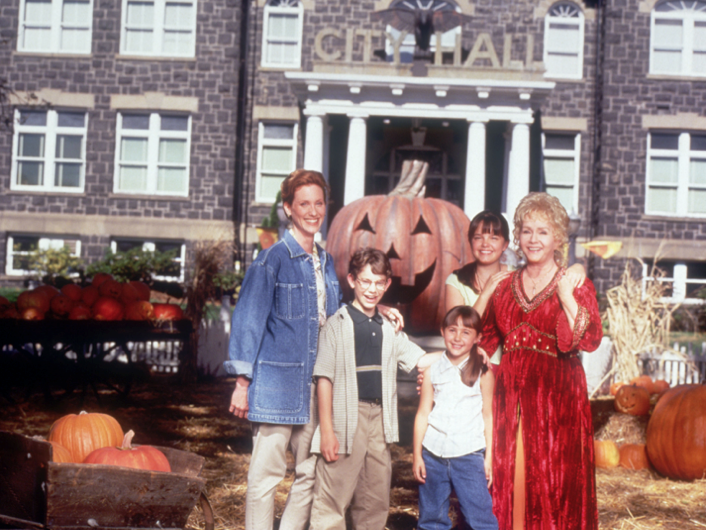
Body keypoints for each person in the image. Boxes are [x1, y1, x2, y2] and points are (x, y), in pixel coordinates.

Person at [224, 169, 341, 530]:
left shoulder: (327, 262)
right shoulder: (272, 259)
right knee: (265, 477)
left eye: (318, 203)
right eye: (304, 203)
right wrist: (242, 383)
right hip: (276, 385)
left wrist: (376, 310)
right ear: (288, 208)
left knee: (310, 473)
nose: (312, 211)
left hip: (315, 385)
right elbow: (248, 319)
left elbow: (333, 318)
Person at [479, 192, 603, 530]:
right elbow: (478, 341)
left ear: (559, 238)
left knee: (555, 485)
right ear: (518, 236)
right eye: (527, 231)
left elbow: (590, 338)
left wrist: (566, 297)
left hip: (559, 403)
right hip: (511, 400)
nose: (534, 239)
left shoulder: (575, 284)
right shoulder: (505, 288)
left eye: (543, 232)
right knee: (512, 483)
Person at [309, 248, 432, 530]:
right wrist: (326, 431)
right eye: (365, 282)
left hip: (379, 419)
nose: (371, 289)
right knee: (332, 499)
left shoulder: (388, 327)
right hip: (344, 419)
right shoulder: (336, 326)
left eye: (378, 283)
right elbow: (324, 379)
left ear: (387, 284)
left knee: (374, 497)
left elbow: (420, 358)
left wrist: (467, 354)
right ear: (352, 280)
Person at [445, 210, 587, 368]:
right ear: (470, 242)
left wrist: (578, 267)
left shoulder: (519, 276)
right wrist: (485, 294)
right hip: (470, 366)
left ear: (505, 244)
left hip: (515, 366)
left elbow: (550, 277)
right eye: (478, 238)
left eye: (494, 238)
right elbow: (457, 331)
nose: (485, 244)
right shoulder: (455, 281)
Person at [413, 305, 498, 530]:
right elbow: (422, 414)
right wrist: (417, 455)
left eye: (466, 332)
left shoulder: (483, 373)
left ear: (478, 337)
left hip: (468, 455)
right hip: (433, 454)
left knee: (480, 519)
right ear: (442, 331)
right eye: (452, 330)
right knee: (431, 519)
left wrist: (488, 459)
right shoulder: (433, 371)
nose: (458, 337)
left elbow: (488, 417)